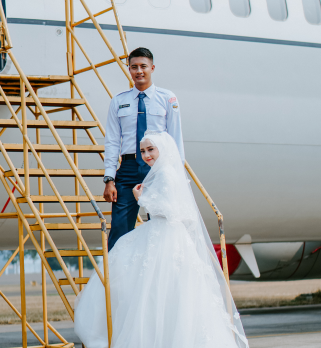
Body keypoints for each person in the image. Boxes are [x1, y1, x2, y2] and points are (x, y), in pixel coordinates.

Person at [74, 131, 249, 348]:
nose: (146, 155)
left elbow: (172, 211)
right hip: (164, 233)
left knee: (151, 285)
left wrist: (142, 198)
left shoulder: (165, 174)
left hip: (164, 233)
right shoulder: (162, 172)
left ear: (162, 150)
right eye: (143, 151)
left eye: (151, 150)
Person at [103, 47, 185, 251]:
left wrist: (177, 176)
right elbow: (113, 141)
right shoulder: (119, 101)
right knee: (120, 229)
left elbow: (175, 139)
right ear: (129, 69)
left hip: (157, 169)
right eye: (134, 67)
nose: (139, 71)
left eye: (143, 66)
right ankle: (116, 280)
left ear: (152, 68)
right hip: (129, 168)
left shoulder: (168, 99)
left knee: (161, 226)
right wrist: (109, 179)